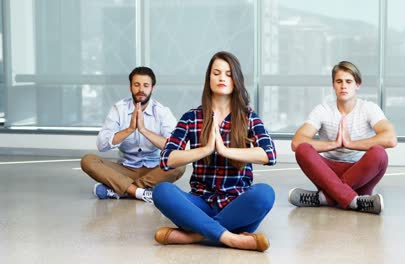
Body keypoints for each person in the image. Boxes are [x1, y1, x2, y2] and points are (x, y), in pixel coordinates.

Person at [152, 51, 276, 252]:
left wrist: (225, 150)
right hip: (200, 204)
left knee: (265, 194)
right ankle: (232, 239)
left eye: (228, 74)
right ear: (208, 78)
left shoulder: (248, 117)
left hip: (237, 207)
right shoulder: (192, 117)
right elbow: (167, 159)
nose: (222, 78)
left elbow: (269, 155)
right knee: (162, 191)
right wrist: (205, 149)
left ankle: (195, 235)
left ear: (236, 80)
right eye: (216, 73)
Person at [288, 61, 397, 214]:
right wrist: (334, 144)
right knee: (303, 150)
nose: (343, 86)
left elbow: (390, 139)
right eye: (339, 81)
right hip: (328, 173)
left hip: (360, 173)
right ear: (333, 85)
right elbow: (297, 142)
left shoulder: (369, 108)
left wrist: (350, 144)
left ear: (357, 84)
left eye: (348, 81)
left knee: (379, 154)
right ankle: (356, 201)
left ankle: (323, 198)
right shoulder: (323, 110)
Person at [81, 67, 185, 203]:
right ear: (130, 87)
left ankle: (123, 190)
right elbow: (101, 145)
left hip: (154, 170)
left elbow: (176, 147)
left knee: (180, 164)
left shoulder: (162, 112)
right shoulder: (119, 109)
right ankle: (143, 191)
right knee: (88, 160)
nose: (141, 89)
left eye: (146, 85)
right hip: (125, 169)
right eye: (136, 85)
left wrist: (144, 130)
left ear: (152, 88)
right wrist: (129, 129)